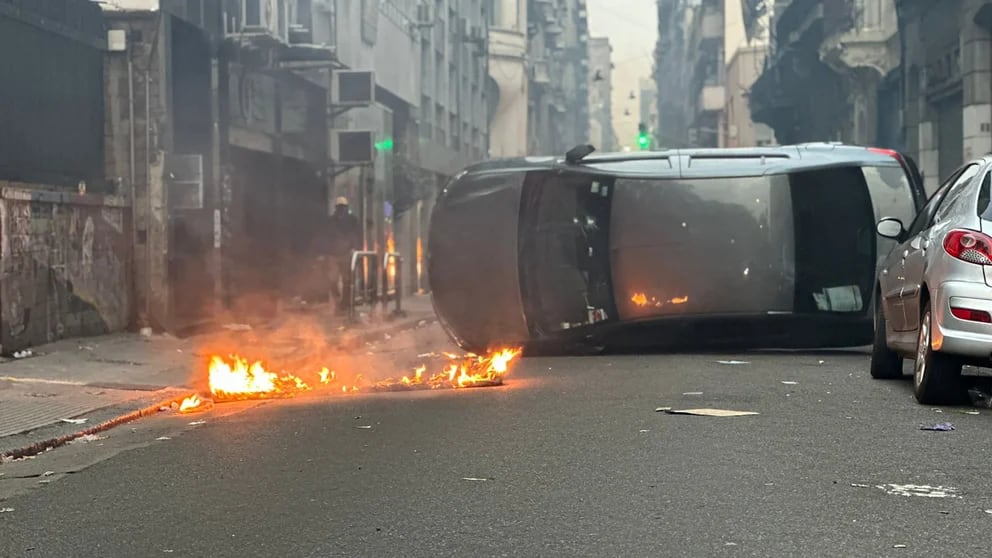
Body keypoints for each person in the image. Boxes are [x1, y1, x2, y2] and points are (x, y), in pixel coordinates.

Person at [327, 196, 362, 314]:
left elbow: (356, 235)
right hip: (334, 254)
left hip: (347, 253)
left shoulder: (352, 220)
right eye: (339, 207)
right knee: (333, 280)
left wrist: (354, 248)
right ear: (336, 208)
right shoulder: (331, 221)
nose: (341, 209)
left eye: (343, 207)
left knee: (347, 281)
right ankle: (337, 302)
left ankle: (345, 304)